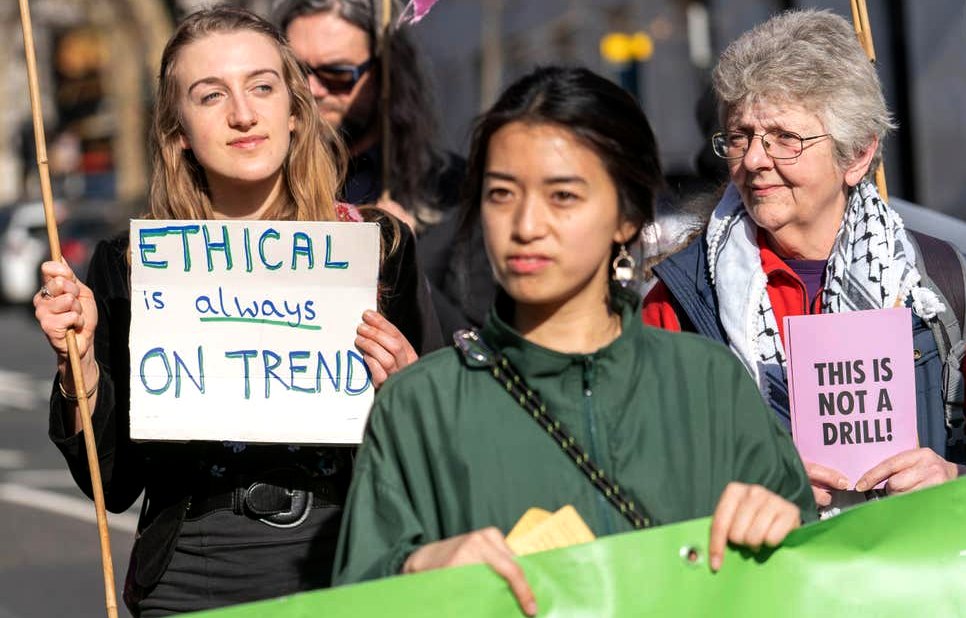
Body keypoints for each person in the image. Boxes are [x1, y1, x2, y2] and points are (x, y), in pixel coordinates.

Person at [333, 66, 815, 615]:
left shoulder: (710, 381)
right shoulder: (419, 405)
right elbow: (360, 594)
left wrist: (782, 527)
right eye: (500, 194)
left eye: (563, 196)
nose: (526, 224)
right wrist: (412, 575)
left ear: (627, 216)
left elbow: (805, 577)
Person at [33, 7, 441, 615]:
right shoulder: (132, 265)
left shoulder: (376, 248)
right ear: (177, 132)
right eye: (210, 95)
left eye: (262, 87)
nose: (243, 114)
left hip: (351, 571)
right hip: (188, 586)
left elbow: (435, 456)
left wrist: (411, 389)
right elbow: (111, 485)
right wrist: (80, 366)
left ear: (295, 112)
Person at [643, 9, 966, 511]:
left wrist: (954, 480)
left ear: (857, 154)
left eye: (784, 139)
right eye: (741, 135)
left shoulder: (940, 280)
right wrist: (744, 487)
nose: (753, 160)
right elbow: (648, 476)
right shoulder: (681, 297)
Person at [274, 0, 497, 336]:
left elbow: (475, 344)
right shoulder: (261, 182)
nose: (310, 90)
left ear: (386, 78)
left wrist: (403, 266)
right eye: (294, 72)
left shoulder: (454, 189)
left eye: (336, 76)